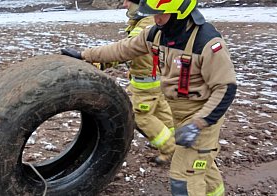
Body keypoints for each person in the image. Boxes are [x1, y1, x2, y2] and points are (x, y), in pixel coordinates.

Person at [61, 0, 237, 195]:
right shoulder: (157, 34)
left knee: (184, 178)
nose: (156, 18)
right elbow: (121, 49)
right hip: (179, 113)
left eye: (161, 13)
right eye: (154, 13)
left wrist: (198, 123)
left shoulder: (207, 43)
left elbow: (225, 88)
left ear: (180, 12)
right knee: (202, 164)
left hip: (202, 117)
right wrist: (84, 55)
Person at [122, 0, 177, 165]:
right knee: (162, 113)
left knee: (140, 116)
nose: (124, 5)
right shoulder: (147, 20)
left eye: (127, 1)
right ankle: (176, 140)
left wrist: (99, 61)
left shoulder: (146, 24)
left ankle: (169, 149)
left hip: (147, 84)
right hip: (155, 79)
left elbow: (127, 49)